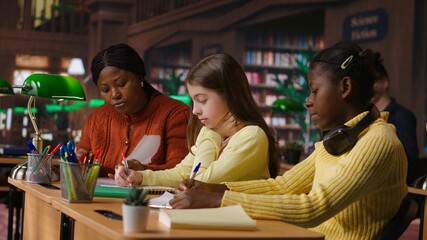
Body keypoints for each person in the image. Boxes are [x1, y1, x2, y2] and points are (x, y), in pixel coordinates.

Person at [169, 42, 408, 240]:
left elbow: (314, 208)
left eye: (314, 90)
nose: (307, 100)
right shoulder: (344, 137)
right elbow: (282, 186)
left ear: (345, 87)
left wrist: (217, 200)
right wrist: (217, 188)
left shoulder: (379, 142)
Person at [113, 53, 280, 187]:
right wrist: (140, 177)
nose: (195, 110)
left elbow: (199, 182)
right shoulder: (215, 133)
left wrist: (211, 135)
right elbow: (181, 173)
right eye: (194, 101)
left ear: (230, 96)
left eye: (202, 100)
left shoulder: (251, 136)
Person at [77, 43, 190, 177]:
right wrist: (79, 163)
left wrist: (143, 171)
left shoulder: (175, 114)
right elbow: (80, 160)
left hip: (150, 198)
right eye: (105, 89)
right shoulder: (97, 118)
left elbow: (182, 173)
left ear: (139, 77)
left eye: (121, 84)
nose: (114, 94)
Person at [371, 52, 420, 184]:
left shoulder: (402, 115)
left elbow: (410, 159)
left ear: (384, 83)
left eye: (373, 82)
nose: (368, 87)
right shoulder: (367, 117)